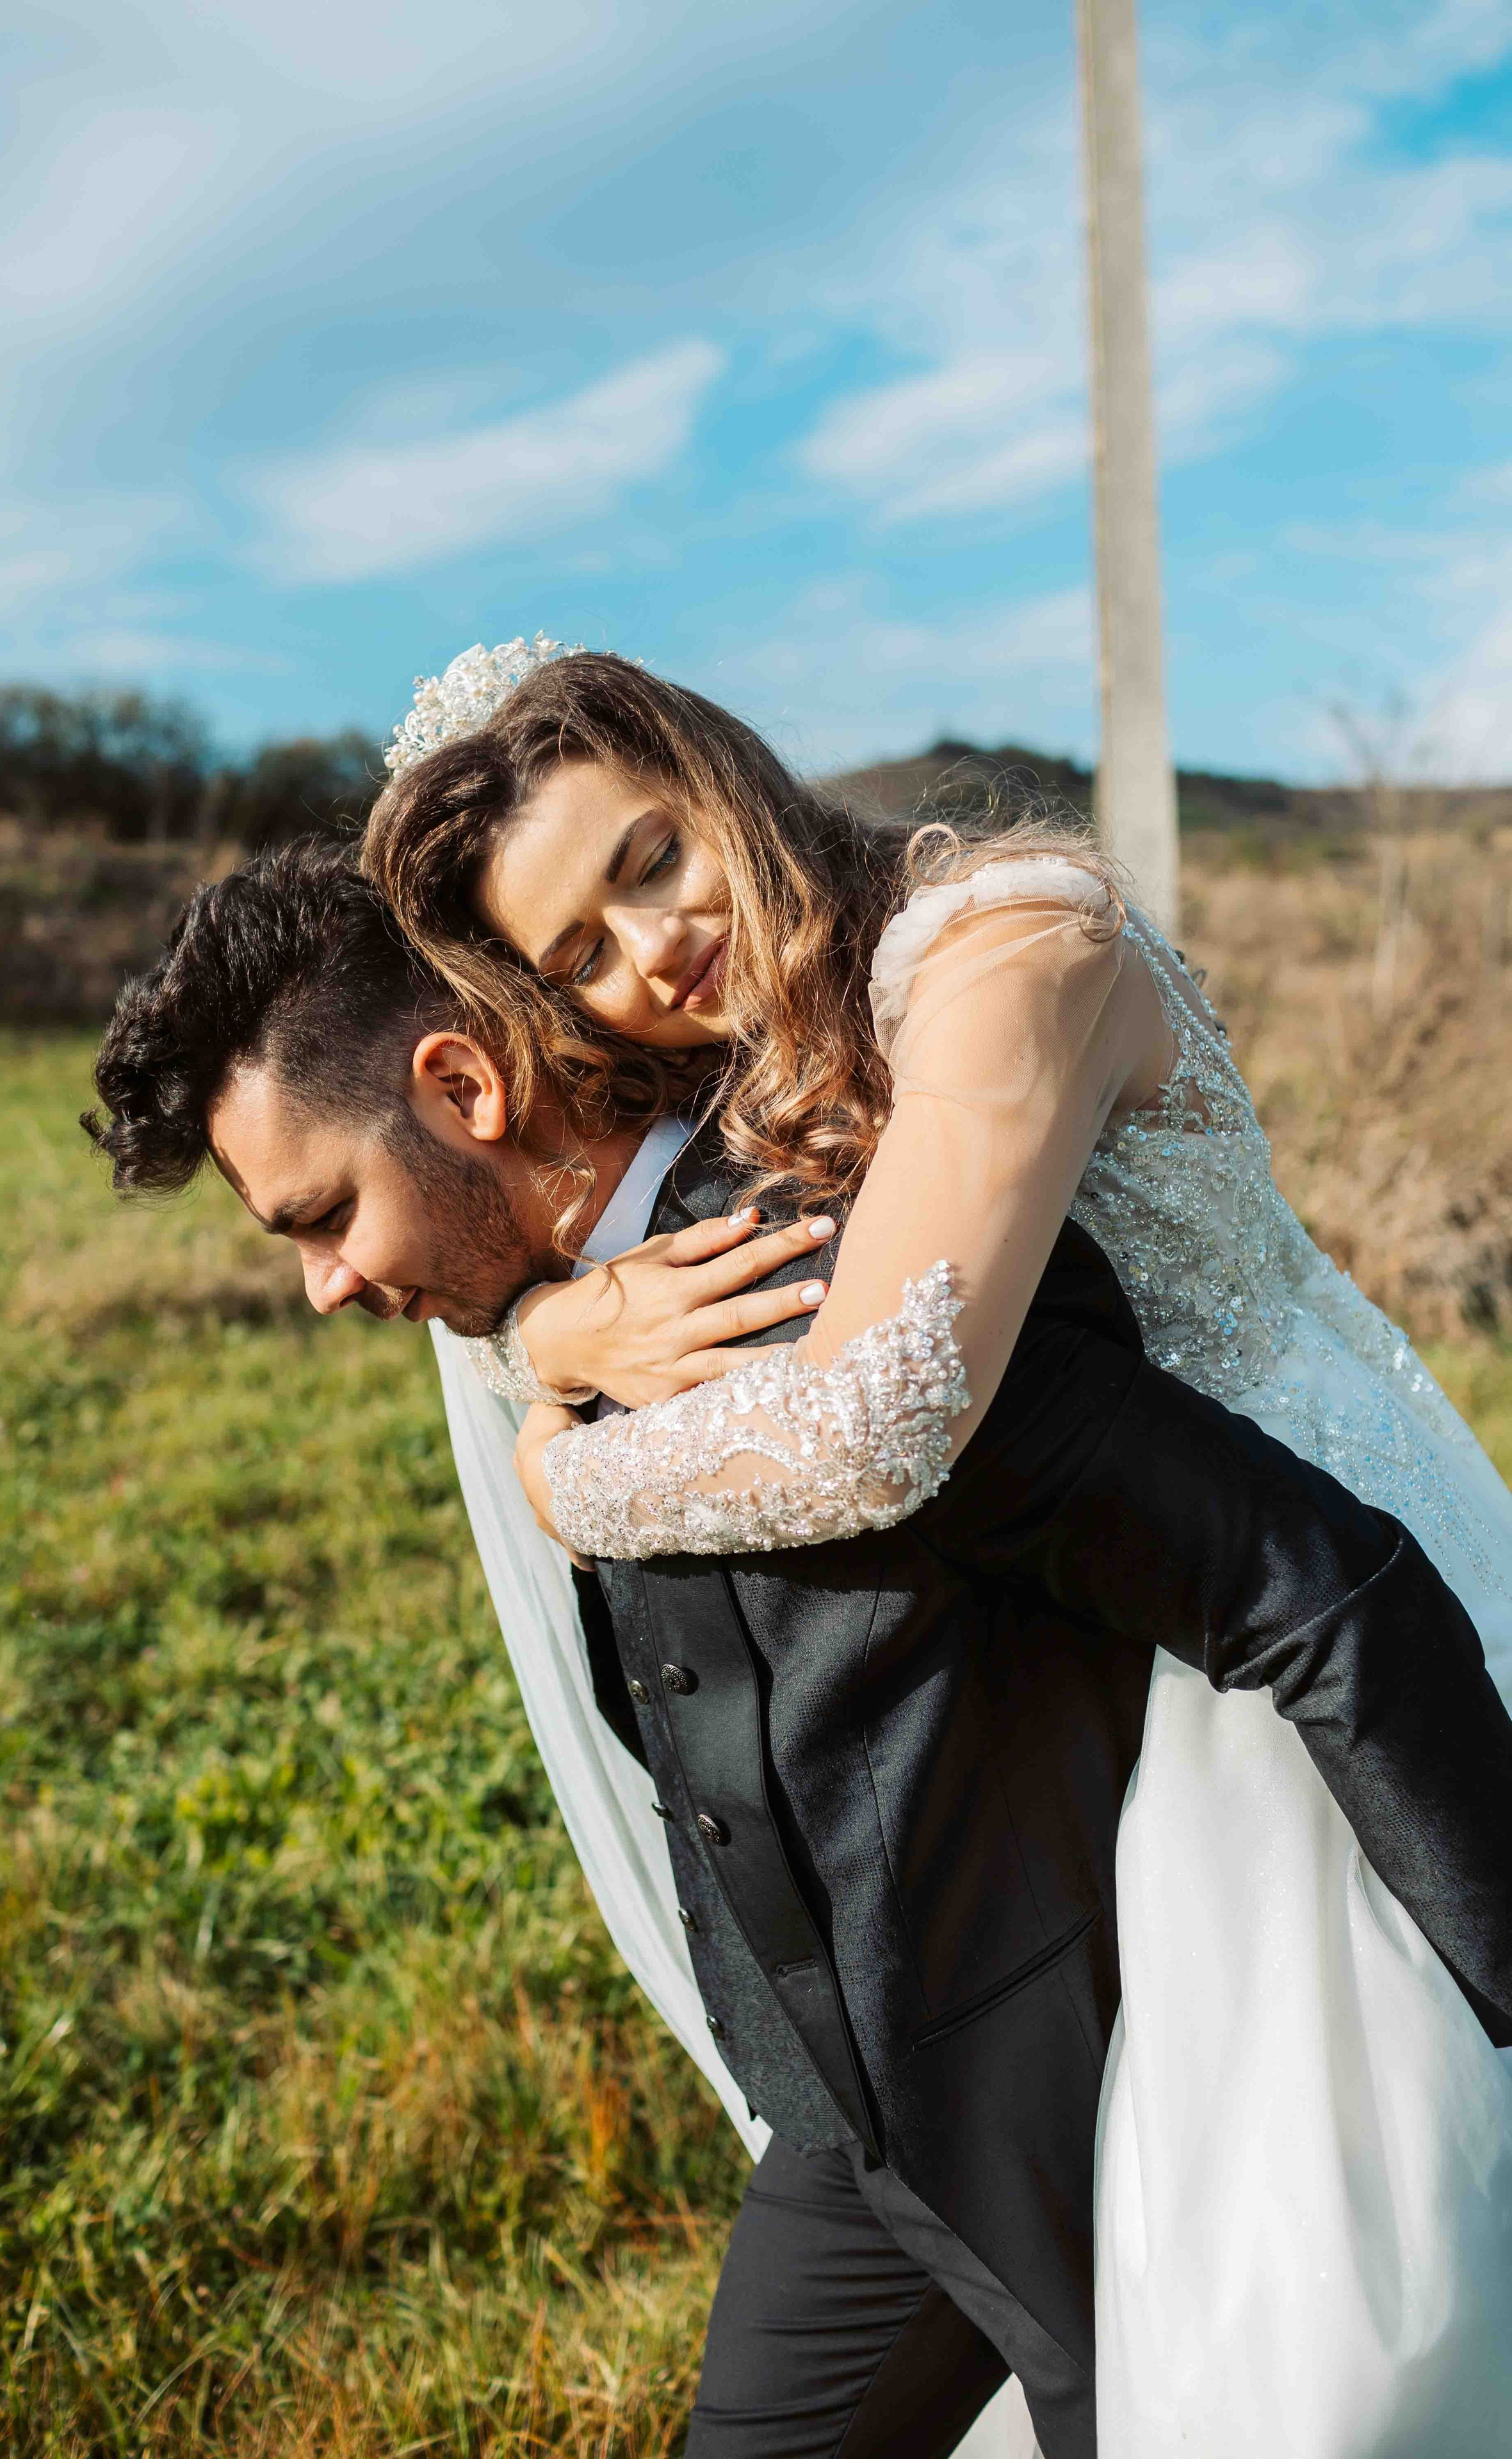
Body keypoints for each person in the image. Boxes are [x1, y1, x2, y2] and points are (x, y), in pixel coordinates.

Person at [84, 835, 1512, 2459]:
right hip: (846, 2114)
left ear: (465, 1086)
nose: (323, 1286)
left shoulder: (847, 1290)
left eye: (324, 1215)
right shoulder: (574, 1311)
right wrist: (548, 1345)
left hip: (1060, 2102)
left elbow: (1305, 1583)